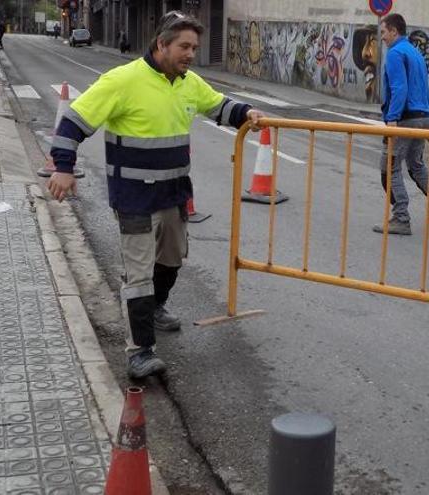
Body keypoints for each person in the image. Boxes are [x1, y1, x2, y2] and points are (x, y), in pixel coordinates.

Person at [46, 11, 265, 379]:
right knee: (139, 275)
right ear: (161, 44)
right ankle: (140, 351)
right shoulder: (122, 81)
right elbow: (73, 122)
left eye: (195, 47)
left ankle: (156, 306)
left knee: (172, 261)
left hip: (173, 194)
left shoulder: (188, 82)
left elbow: (219, 106)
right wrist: (64, 168)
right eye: (184, 46)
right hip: (133, 197)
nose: (191, 54)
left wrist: (247, 113)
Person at [373, 13, 429, 236]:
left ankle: (401, 217)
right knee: (416, 167)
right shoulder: (415, 53)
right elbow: (426, 90)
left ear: (394, 31)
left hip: (404, 118)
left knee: (389, 167)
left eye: (384, 32)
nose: (382, 38)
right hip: (421, 117)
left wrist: (392, 120)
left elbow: (399, 88)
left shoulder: (396, 53)